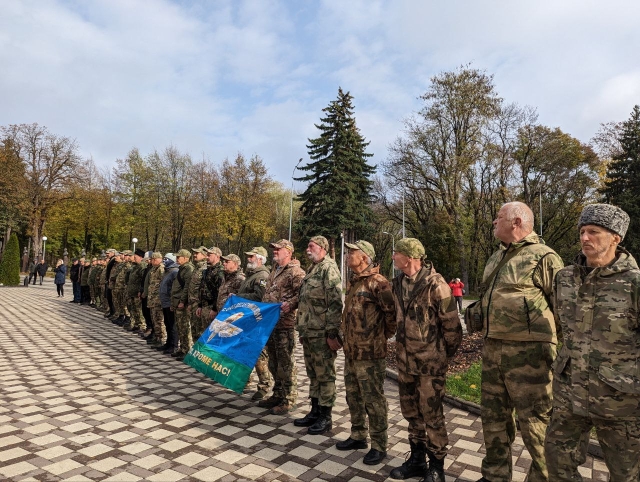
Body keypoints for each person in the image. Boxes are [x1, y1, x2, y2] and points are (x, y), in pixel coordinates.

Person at [545, 204, 640, 482]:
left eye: (594, 232)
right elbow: (561, 328)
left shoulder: (634, 283)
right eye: (582, 231)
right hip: (569, 393)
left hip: (619, 401)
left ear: (615, 238)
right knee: (557, 462)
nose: (585, 238)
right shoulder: (564, 278)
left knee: (627, 474)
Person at [476, 201, 564, 482]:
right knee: (493, 421)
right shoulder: (495, 257)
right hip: (493, 353)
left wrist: (549, 349)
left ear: (516, 222)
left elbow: (562, 310)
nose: (493, 222)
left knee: (536, 425)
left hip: (530, 357)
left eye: (498, 217)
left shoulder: (544, 257)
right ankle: (495, 476)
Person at [389, 238, 462, 482]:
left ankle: (437, 467)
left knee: (433, 416)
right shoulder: (397, 283)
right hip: (405, 363)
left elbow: (452, 327)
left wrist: (441, 355)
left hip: (430, 366)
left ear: (410, 257)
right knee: (411, 413)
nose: (393, 257)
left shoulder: (436, 284)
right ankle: (418, 461)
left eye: (396, 253)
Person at [336, 240, 396, 466]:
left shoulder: (378, 283)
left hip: (370, 355)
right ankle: (358, 435)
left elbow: (391, 316)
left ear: (364, 257)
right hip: (352, 352)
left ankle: (379, 445)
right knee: (353, 396)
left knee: (374, 400)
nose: (348, 255)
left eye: (352, 252)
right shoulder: (355, 282)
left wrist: (378, 338)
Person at [295, 236, 344, 434]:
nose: (308, 249)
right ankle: (314, 411)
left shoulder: (328, 268)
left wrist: (332, 333)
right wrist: (303, 329)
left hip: (323, 333)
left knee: (325, 375)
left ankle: (326, 416)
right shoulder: (313, 268)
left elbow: (335, 303)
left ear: (322, 248)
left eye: (311, 246)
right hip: (310, 332)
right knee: (313, 374)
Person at [259, 239, 305, 415]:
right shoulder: (275, 270)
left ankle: (289, 398)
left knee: (286, 363)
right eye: (274, 249)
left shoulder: (296, 272)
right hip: (270, 324)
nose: (275, 251)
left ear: (288, 251)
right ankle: (277, 394)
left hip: (284, 324)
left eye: (278, 249)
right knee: (273, 361)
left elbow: (303, 294)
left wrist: (291, 303)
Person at [236, 246, 272, 400]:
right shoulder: (252, 275)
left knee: (259, 355)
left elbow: (260, 297)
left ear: (260, 259)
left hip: (257, 321)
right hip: (248, 320)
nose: (248, 259)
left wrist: (239, 297)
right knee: (245, 351)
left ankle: (264, 386)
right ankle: (245, 380)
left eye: (251, 256)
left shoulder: (262, 275)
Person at [171, 249, 195, 360]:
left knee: (185, 327)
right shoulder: (182, 268)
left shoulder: (189, 269)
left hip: (182, 303)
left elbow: (187, 286)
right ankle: (182, 348)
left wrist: (182, 301)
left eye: (179, 257)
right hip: (176, 301)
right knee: (180, 327)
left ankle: (187, 350)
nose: (177, 259)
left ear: (186, 258)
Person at [196, 247, 224, 336]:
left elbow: (219, 291)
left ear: (217, 256)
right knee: (203, 333)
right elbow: (202, 288)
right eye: (207, 255)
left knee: (212, 335)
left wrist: (214, 308)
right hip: (204, 306)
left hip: (212, 306)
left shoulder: (220, 271)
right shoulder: (207, 270)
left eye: (210, 255)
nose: (207, 257)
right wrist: (200, 305)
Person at [187, 247, 208, 344]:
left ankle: (200, 354)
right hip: (192, 302)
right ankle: (194, 353)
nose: (194, 255)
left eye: (197, 253)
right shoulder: (196, 268)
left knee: (200, 331)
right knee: (194, 329)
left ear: (204, 255)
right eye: (194, 253)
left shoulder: (205, 268)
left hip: (199, 304)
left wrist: (200, 304)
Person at [159, 253, 179, 354]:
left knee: (172, 325)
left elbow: (174, 288)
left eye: (166, 259)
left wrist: (172, 302)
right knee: (167, 323)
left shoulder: (174, 271)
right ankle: (168, 343)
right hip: (165, 302)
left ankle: (174, 345)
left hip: (170, 302)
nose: (164, 261)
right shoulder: (167, 272)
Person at [147, 252, 166, 348]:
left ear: (158, 259)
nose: (152, 261)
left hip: (158, 300)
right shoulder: (154, 269)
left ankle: (161, 339)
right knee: (154, 319)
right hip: (152, 299)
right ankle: (157, 337)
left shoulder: (161, 269)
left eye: (154, 259)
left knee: (159, 320)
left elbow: (163, 284)